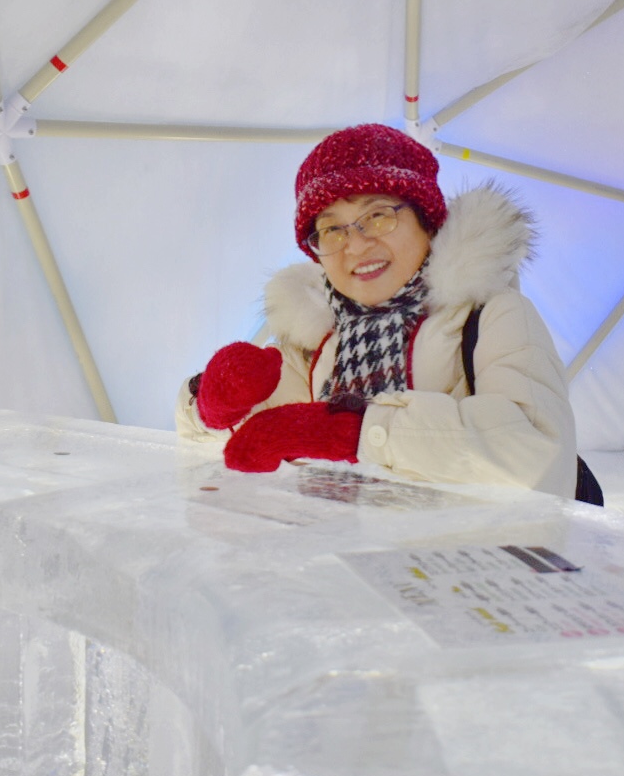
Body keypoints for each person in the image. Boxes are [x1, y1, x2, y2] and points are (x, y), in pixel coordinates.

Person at [176, 123, 580, 498]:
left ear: (428, 222)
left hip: (461, 565)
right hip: (348, 561)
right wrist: (212, 404)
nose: (355, 245)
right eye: (332, 228)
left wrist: (352, 433)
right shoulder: (318, 346)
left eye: (377, 216)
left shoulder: (493, 316)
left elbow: (540, 457)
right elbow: (208, 443)